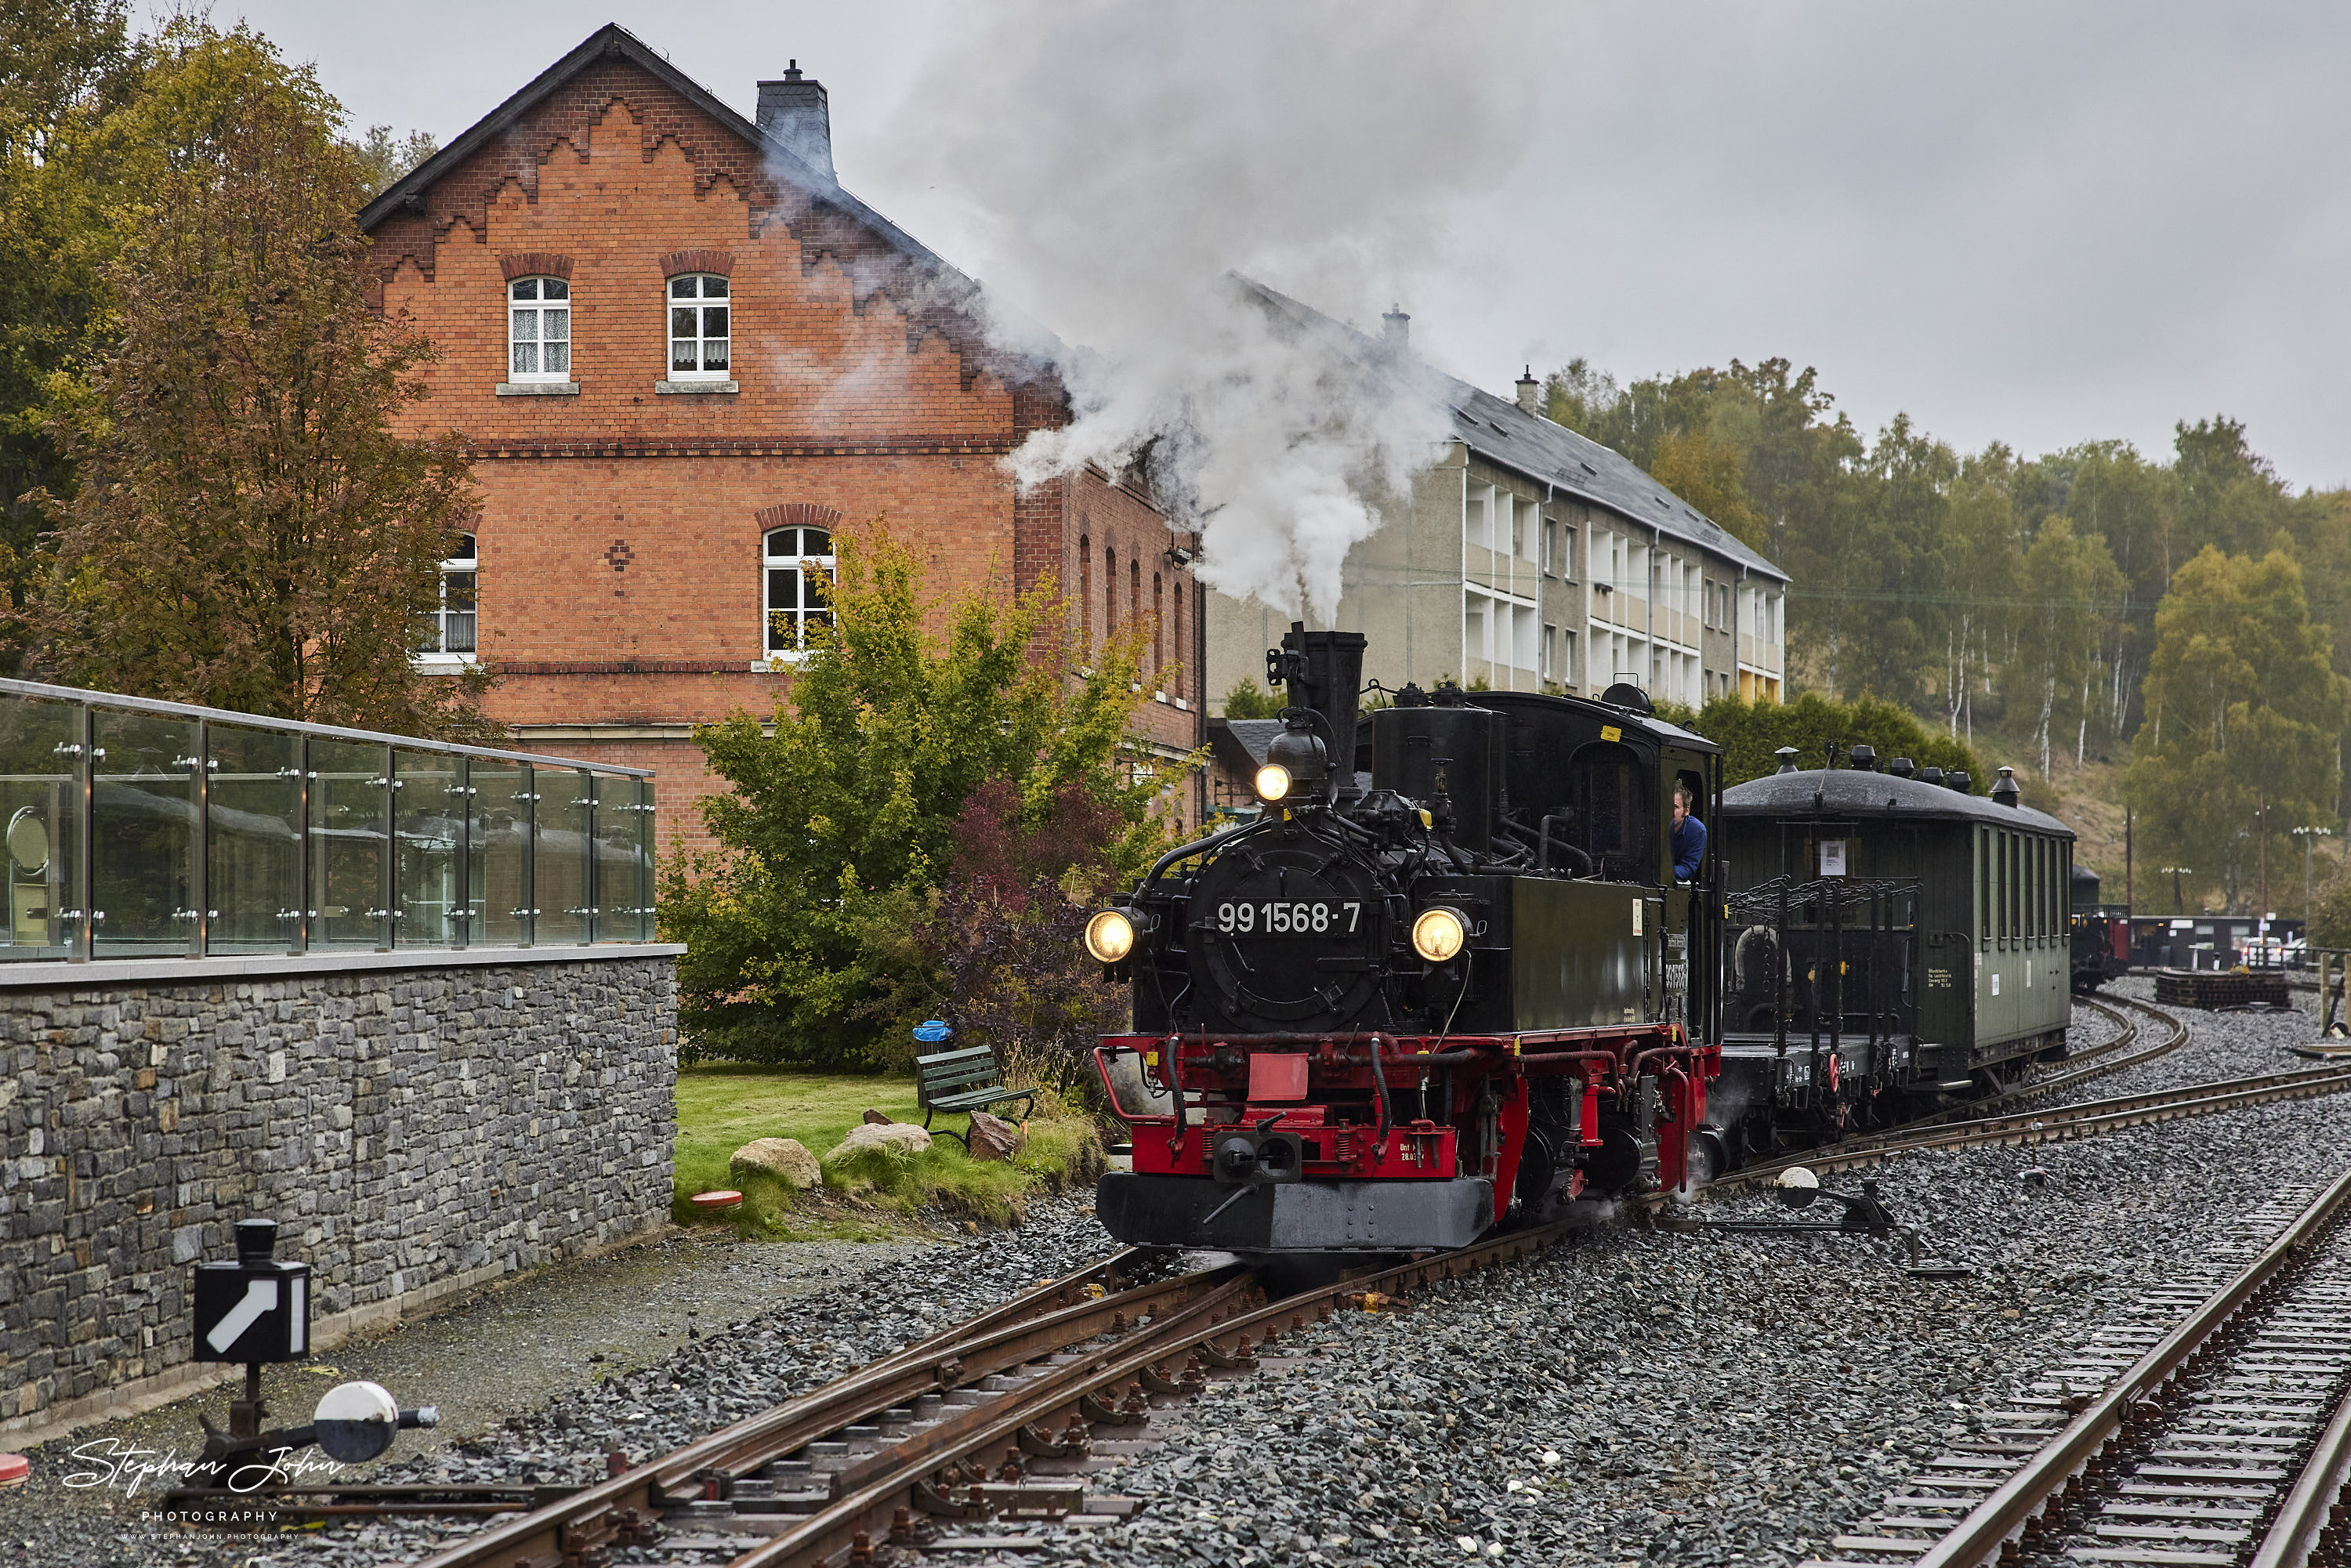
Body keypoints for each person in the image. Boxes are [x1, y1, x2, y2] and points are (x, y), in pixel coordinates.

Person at [1671, 784, 1705, 883]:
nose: (1668, 811)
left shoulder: (1697, 831)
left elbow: (1687, 869)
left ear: (1686, 811)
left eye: (1674, 807)